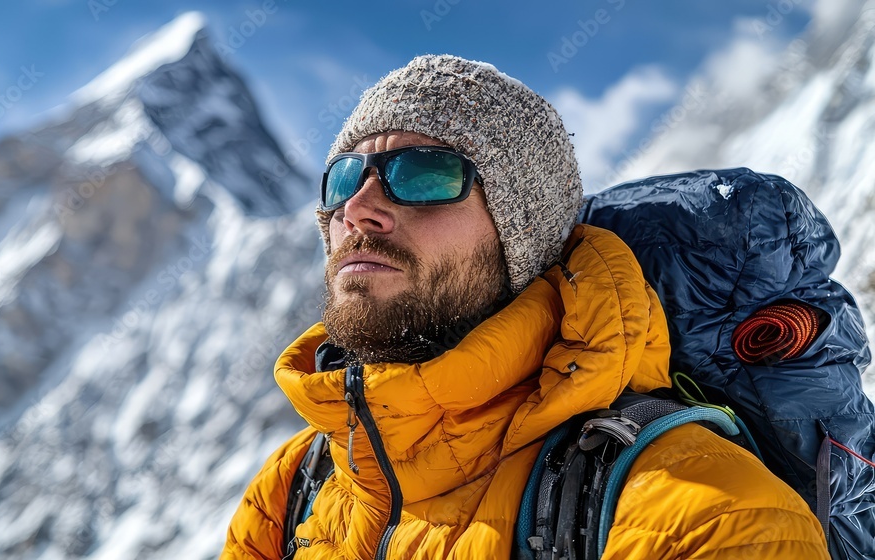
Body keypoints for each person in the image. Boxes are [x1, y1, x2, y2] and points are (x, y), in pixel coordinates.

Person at [221, 55, 828, 559]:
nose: (357, 207)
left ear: (522, 234)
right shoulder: (293, 486)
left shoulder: (708, 515)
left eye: (425, 175)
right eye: (343, 179)